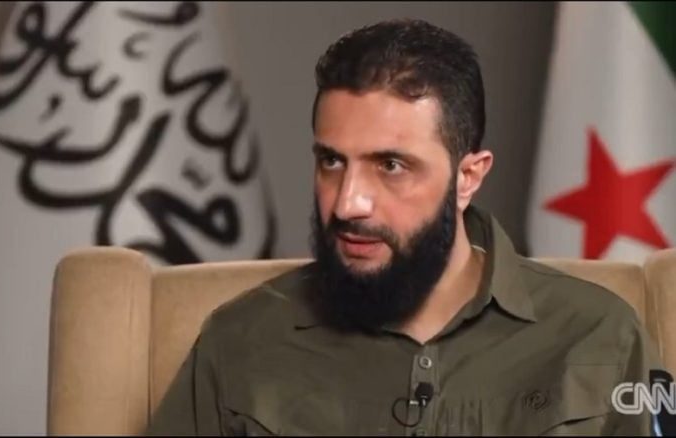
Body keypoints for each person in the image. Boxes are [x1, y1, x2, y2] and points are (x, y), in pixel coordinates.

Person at [146, 18, 669, 436]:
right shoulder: (240, 339)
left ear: (468, 178)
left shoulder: (601, 336)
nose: (348, 202)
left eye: (391, 165)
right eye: (332, 161)